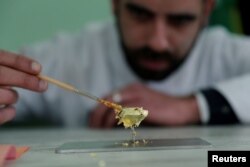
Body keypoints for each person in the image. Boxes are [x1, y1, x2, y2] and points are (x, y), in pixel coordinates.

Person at [1, 0, 250, 128]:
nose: (157, 42)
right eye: (141, 15)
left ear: (207, 9)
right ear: (115, 3)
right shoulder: (69, 56)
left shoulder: (226, 52)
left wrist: (191, 107)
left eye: (180, 20)